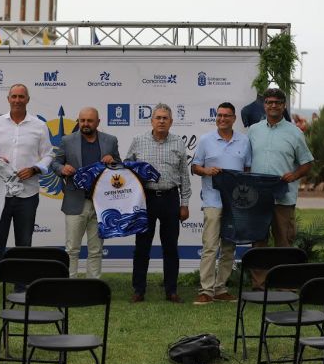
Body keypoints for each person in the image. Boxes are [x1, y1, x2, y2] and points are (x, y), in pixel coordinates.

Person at [0, 84, 53, 304]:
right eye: (14, 96)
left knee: (24, 244)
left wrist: (35, 168)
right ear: (8, 98)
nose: (18, 100)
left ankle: (21, 288)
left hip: (27, 194)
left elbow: (48, 155)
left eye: (22, 96)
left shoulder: (39, 126)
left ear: (28, 99)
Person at [248, 88, 313, 288]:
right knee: (259, 243)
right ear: (264, 105)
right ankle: (259, 285)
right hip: (257, 198)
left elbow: (307, 163)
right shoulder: (253, 130)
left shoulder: (295, 133)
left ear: (284, 105)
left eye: (277, 102)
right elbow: (245, 162)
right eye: (269, 102)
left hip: (283, 199)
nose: (273, 105)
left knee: (284, 243)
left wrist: (294, 175)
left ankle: (284, 284)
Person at [126, 103, 191, 303]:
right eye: (158, 117)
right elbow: (127, 169)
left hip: (171, 198)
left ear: (171, 122)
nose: (161, 121)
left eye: (165, 118)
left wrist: (185, 203)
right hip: (145, 199)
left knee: (170, 246)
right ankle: (139, 290)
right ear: (151, 120)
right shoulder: (138, 141)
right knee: (142, 247)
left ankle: (171, 290)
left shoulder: (179, 143)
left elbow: (184, 175)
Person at [190, 102, 252, 305]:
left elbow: (248, 170)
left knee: (229, 246)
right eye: (219, 115)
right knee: (210, 246)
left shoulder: (244, 141)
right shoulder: (206, 140)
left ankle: (220, 288)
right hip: (212, 201)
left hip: (236, 203)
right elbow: (195, 167)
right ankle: (206, 290)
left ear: (234, 119)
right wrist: (206, 171)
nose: (222, 119)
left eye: (227, 116)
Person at [51, 107, 120, 279]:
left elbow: (120, 166)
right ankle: (69, 283)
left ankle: (93, 285)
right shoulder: (67, 141)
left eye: (90, 121)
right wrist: (62, 168)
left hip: (101, 203)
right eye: (82, 120)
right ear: (78, 121)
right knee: (72, 249)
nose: (85, 124)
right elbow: (55, 163)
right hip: (75, 201)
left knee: (96, 249)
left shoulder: (110, 141)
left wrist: (113, 161)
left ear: (98, 122)